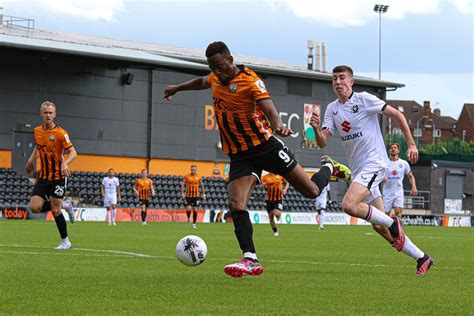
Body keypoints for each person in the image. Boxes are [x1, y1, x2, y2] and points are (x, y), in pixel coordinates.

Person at [164, 41, 351, 278]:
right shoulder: (214, 78)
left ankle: (328, 166)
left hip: (266, 147)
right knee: (235, 203)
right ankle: (249, 258)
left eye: (220, 66)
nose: (217, 72)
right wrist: (177, 88)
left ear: (230, 59)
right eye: (213, 67)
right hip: (240, 155)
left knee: (312, 191)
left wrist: (279, 126)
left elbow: (270, 110)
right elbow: (202, 81)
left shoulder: (250, 81)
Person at [311, 65, 433, 275]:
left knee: (349, 205)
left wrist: (411, 144)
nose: (337, 82)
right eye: (334, 79)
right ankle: (422, 257)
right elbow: (322, 141)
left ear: (351, 82)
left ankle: (393, 223)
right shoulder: (332, 109)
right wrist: (314, 128)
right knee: (379, 226)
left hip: (375, 163)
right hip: (360, 170)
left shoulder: (363, 99)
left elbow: (397, 115)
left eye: (342, 78)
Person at [26, 101, 77, 249]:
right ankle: (65, 204)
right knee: (34, 207)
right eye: (45, 112)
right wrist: (31, 160)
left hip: (58, 177)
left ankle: (65, 242)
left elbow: (73, 152)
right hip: (43, 177)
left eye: (50, 113)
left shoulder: (61, 133)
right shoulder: (37, 131)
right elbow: (38, 146)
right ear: (40, 114)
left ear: (54, 114)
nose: (48, 115)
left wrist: (65, 163)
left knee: (55, 210)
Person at [382, 143, 418, 217]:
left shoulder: (404, 163)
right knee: (386, 216)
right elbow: (378, 175)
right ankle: (388, 228)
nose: (393, 149)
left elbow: (410, 176)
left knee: (398, 214)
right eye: (391, 148)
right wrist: (382, 178)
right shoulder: (384, 163)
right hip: (387, 193)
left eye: (395, 147)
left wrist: (414, 187)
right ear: (389, 151)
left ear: (398, 151)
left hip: (398, 192)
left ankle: (397, 228)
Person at [261, 172, 289, 236]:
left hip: (278, 199)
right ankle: (275, 231)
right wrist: (262, 186)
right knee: (271, 217)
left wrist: (285, 190)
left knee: (276, 213)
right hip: (269, 200)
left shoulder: (280, 175)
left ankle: (278, 216)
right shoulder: (265, 177)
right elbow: (261, 188)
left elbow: (287, 182)